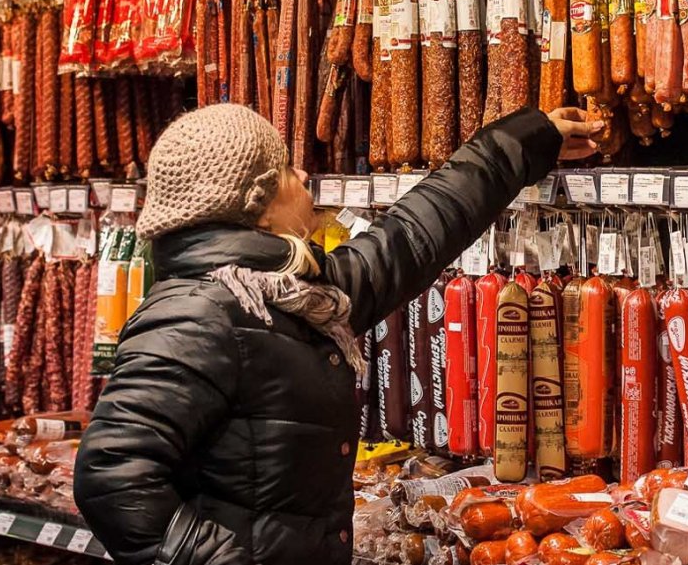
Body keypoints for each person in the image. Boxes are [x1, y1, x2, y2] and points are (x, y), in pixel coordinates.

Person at [73, 104, 602, 565]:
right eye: (284, 169)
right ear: (255, 203)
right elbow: (111, 474)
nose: (301, 173)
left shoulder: (296, 296)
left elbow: (412, 236)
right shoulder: (198, 313)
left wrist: (528, 138)